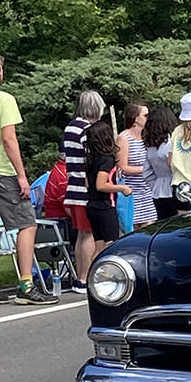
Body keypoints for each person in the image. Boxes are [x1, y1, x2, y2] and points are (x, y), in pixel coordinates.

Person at [0, 50, 58, 306]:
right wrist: (22, 176)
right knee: (27, 223)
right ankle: (26, 284)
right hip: (1, 170)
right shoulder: (4, 99)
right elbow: (9, 139)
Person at [63, 90, 105, 294]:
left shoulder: (70, 127)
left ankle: (79, 276)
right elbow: (91, 159)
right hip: (85, 188)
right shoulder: (87, 130)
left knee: (82, 234)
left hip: (72, 187)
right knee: (90, 234)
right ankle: (85, 277)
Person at [84, 121, 133, 257]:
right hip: (105, 206)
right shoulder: (107, 159)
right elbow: (101, 184)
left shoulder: (90, 159)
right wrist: (122, 188)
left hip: (92, 205)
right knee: (112, 245)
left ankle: (91, 275)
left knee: (99, 247)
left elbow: (88, 183)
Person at [116, 103, 157, 230]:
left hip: (148, 193)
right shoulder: (124, 138)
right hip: (132, 195)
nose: (148, 118)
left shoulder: (148, 137)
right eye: (145, 115)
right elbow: (122, 168)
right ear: (135, 118)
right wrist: (146, 170)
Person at [143, 106, 178, 220]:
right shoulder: (172, 143)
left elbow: (147, 173)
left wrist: (156, 185)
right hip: (174, 189)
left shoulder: (151, 146)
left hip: (158, 191)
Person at [43, 145, 69, 220]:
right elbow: (69, 209)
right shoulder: (63, 177)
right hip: (61, 222)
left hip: (61, 218)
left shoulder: (58, 169)